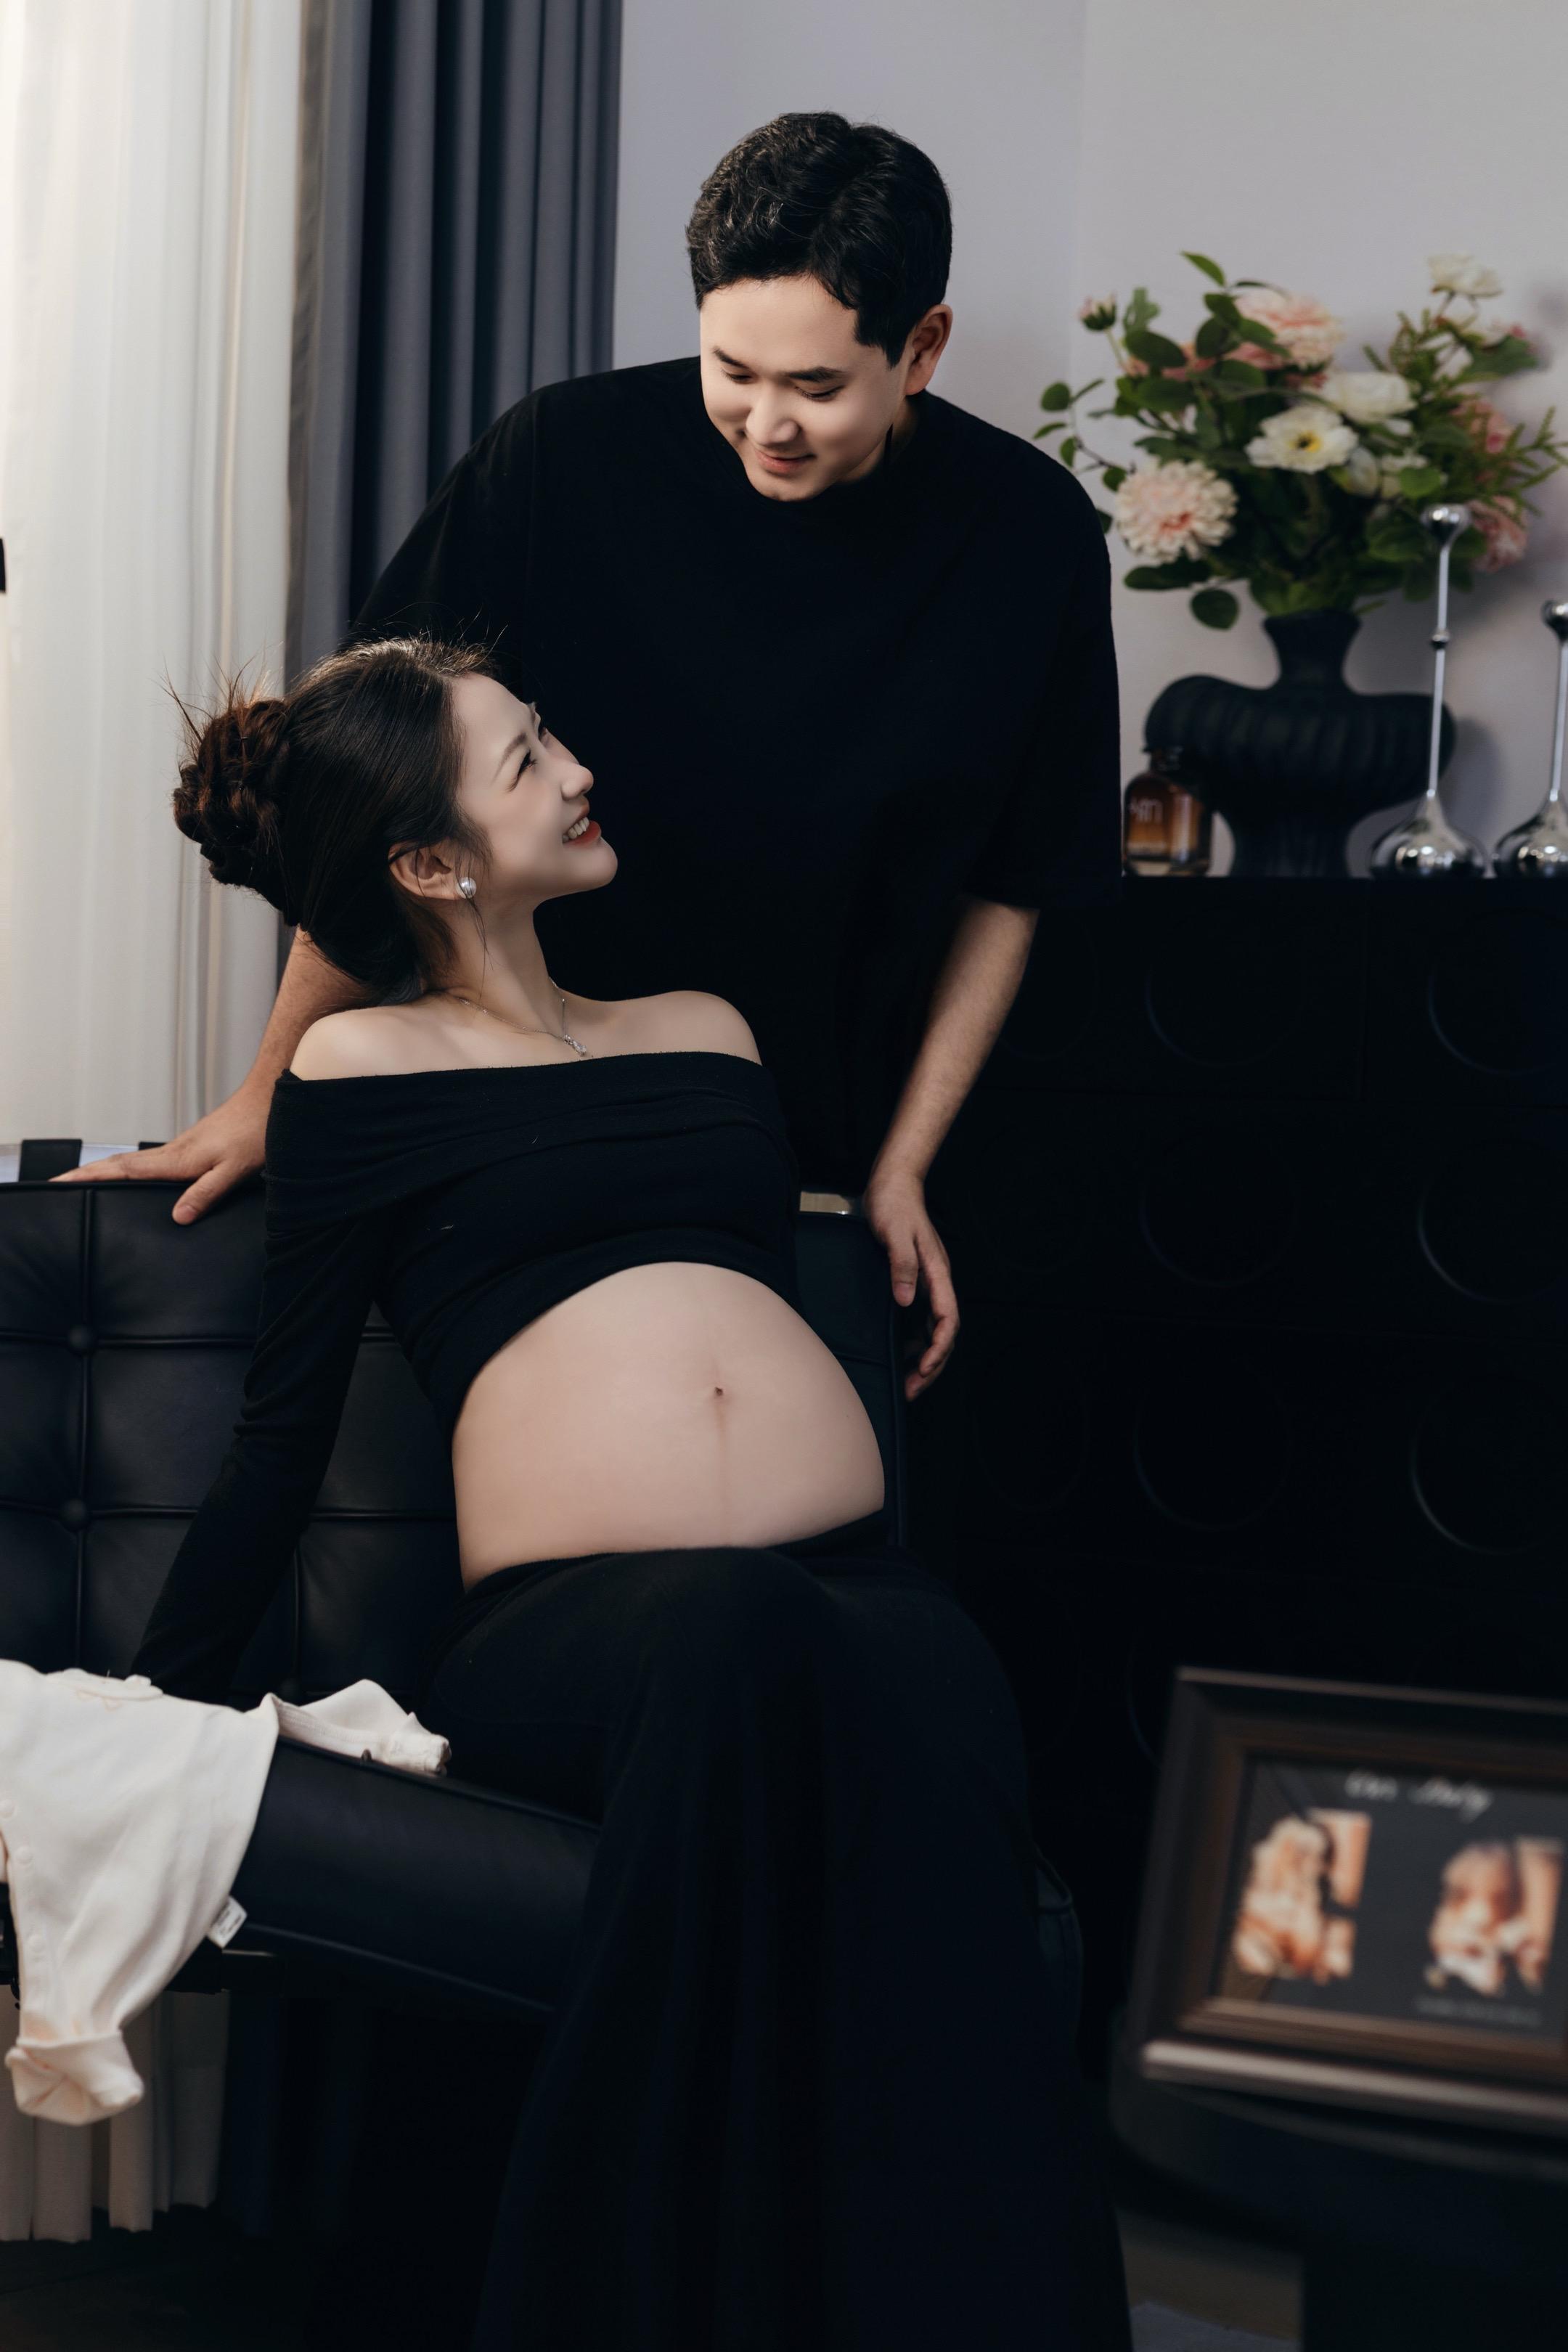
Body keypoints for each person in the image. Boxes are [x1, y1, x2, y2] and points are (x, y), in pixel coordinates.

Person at [122, 632, 1131, 2350]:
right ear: (432, 865)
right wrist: (153, 1710)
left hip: (843, 1588)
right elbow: (281, 1440)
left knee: (929, 1666)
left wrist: (889, 1197)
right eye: (526, 761)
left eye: (551, 734)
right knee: (736, 1630)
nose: (579, 770)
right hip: (577, 1634)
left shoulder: (706, 1031)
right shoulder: (360, 1076)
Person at [49, 110, 1122, 1412]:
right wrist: (269, 1090)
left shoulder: (1031, 536)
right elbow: (375, 795)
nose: (767, 424)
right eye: (732, 369)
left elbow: (1016, 883)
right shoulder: (562, 456)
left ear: (925, 348)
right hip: (527, 1116)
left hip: (841, 1123)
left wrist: (903, 1167)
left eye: (817, 387)